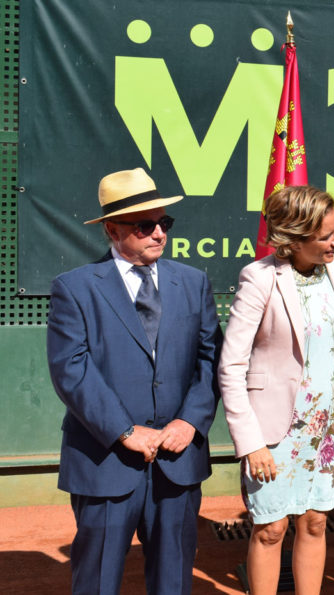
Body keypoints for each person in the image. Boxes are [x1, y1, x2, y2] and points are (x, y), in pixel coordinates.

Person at [46, 167, 221, 594]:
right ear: (111, 229)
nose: (159, 233)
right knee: (97, 581)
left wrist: (190, 421)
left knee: (173, 580)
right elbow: (71, 369)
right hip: (106, 461)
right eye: (145, 226)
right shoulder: (75, 288)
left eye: (165, 223)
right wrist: (124, 430)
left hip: (178, 459)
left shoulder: (194, 282)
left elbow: (211, 358)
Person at [218, 185, 334, 595]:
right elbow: (232, 365)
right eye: (326, 236)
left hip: (327, 426)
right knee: (271, 529)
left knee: (315, 522)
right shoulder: (258, 278)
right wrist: (251, 443)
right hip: (274, 429)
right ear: (293, 240)